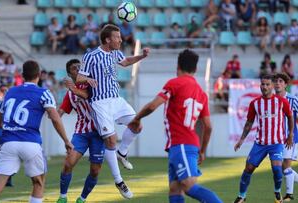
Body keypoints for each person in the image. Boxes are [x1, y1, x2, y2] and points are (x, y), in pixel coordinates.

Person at [128, 49, 222, 203]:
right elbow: (208, 126)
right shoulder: (201, 92)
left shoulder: (174, 83)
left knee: (189, 185)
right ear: (196, 69)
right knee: (174, 189)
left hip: (182, 144)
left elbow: (153, 106)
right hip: (181, 145)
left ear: (177, 66)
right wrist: (203, 151)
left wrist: (137, 118)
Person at [0, 60, 73, 203]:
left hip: (8, 142)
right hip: (31, 142)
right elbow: (55, 118)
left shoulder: (10, 92)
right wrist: (66, 140)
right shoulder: (44, 93)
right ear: (39, 75)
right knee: (38, 183)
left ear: (22, 75)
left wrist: (4, 128)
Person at [76, 24, 150, 199]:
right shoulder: (91, 56)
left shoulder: (116, 53)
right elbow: (79, 77)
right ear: (108, 39)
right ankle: (119, 181)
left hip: (116, 100)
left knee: (137, 125)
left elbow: (125, 62)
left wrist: (142, 56)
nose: (121, 39)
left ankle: (122, 152)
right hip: (100, 103)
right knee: (110, 140)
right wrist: (88, 79)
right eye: (117, 37)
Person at [233, 74, 294, 203]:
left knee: (277, 169)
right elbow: (249, 123)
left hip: (276, 143)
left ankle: (277, 192)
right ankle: (242, 196)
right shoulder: (255, 103)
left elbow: (290, 116)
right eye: (262, 84)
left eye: (267, 84)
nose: (264, 87)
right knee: (248, 169)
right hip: (260, 143)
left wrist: (290, 134)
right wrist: (241, 139)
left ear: (272, 86)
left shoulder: (282, 101)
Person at [56, 59, 104, 203]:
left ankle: (82, 199)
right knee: (68, 163)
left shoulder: (93, 84)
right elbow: (60, 112)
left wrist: (74, 89)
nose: (77, 69)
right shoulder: (70, 95)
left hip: (99, 133)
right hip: (81, 133)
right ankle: (63, 197)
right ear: (69, 73)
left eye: (79, 66)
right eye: (74, 68)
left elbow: (88, 95)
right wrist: (50, 112)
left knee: (95, 171)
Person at [273, 73, 298, 201]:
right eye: (276, 81)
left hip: (290, 138)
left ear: (285, 85)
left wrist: (292, 134)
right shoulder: (271, 100)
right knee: (283, 169)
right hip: (276, 138)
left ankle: (289, 195)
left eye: (280, 81)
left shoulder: (293, 99)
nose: (277, 83)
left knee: (286, 167)